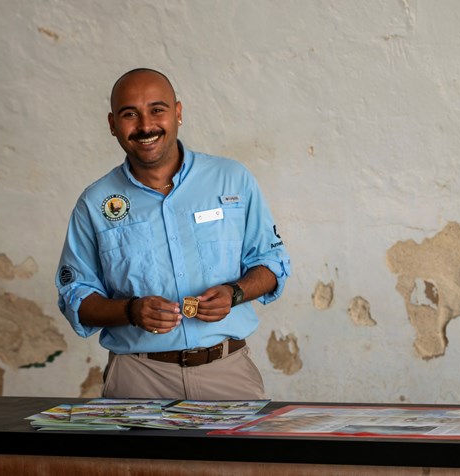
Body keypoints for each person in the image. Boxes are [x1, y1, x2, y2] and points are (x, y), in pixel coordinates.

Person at [56, 68, 291, 400]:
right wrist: (131, 311)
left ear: (178, 113)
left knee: (241, 455)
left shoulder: (232, 180)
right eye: (129, 114)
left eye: (157, 109)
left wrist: (234, 293)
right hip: (137, 379)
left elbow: (272, 263)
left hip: (227, 373)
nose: (145, 125)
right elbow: (75, 298)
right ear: (112, 124)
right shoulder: (95, 203)